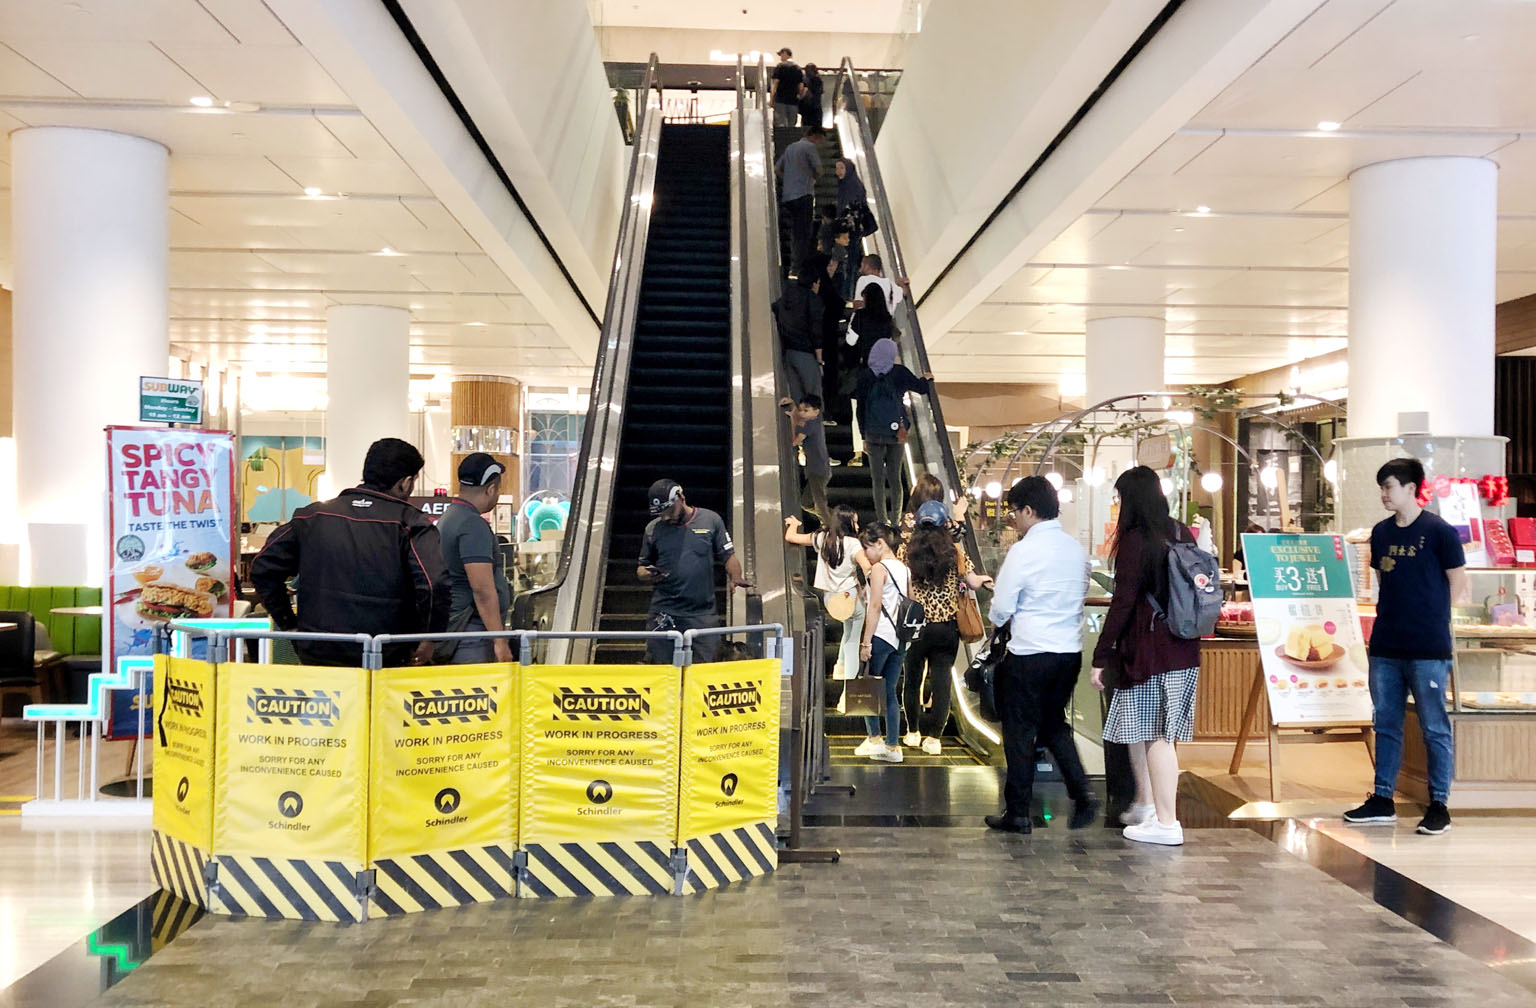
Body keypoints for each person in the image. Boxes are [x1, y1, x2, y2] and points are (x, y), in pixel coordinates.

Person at [1343, 457, 1467, 836]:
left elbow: (1459, 586)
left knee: (1434, 727)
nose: (1384, 494)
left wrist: (1434, 618)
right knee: (1386, 723)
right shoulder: (1380, 533)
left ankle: (1439, 804)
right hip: (1385, 645)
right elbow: (1385, 581)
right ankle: (1383, 798)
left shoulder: (1440, 532)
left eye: (1390, 486)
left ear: (1412, 488)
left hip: (1429, 647)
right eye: (1381, 487)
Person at [251, 437, 449, 668]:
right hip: (386, 654)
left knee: (323, 704)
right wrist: (428, 636)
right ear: (405, 482)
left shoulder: (312, 517)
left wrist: (289, 623)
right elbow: (434, 584)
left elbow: (262, 568)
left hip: (318, 651)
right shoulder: (410, 523)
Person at [1089, 465, 1201, 846]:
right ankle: (1154, 811)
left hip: (1152, 652)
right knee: (1163, 737)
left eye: (1120, 498)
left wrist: (1101, 656)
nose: (1118, 505)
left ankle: (1166, 822)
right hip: (1184, 648)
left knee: (1156, 737)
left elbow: (1122, 604)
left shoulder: (1138, 540)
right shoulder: (1179, 532)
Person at [984, 476, 1099, 833]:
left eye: (1015, 512)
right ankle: (1082, 792)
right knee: (1053, 724)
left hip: (1030, 652)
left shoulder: (1024, 550)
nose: (1013, 520)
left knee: (1019, 732)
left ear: (1029, 511)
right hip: (1068, 653)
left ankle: (1017, 813)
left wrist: (1003, 617)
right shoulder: (1075, 549)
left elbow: (1001, 607)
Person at [899, 501, 992, 755]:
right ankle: (934, 739)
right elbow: (972, 582)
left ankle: (912, 732)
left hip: (916, 626)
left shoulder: (906, 553)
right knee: (941, 683)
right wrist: (984, 580)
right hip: (946, 628)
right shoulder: (954, 552)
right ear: (943, 525)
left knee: (912, 680)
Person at [636, 478, 750, 664]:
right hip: (665, 612)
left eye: (669, 510)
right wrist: (647, 574)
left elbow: (728, 556)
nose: (665, 517)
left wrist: (735, 577)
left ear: (681, 497)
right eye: (661, 513)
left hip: (702, 614)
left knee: (704, 670)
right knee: (661, 670)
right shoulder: (653, 529)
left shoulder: (710, 520)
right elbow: (641, 568)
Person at [436, 452, 513, 664]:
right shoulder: (472, 524)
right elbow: (482, 589)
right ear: (491, 489)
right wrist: (499, 640)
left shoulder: (450, 517)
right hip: (472, 633)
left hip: (458, 629)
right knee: (476, 693)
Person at [784, 506, 865, 685]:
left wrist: (794, 524)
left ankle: (840, 666)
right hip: (849, 597)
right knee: (854, 639)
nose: (858, 527)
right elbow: (867, 568)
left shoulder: (822, 538)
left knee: (848, 627)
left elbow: (791, 537)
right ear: (847, 523)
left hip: (830, 599)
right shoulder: (853, 544)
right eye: (855, 522)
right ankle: (849, 689)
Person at [855, 338, 931, 523]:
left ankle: (882, 519)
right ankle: (896, 520)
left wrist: (863, 435)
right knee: (895, 478)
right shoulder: (900, 373)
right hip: (896, 434)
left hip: (873, 434)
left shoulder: (865, 376)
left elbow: (860, 409)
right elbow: (921, 389)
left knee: (877, 480)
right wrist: (927, 378)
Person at [853, 522, 909, 763]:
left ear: (880, 544)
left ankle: (874, 739)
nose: (866, 554)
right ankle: (893, 747)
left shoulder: (879, 569)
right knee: (889, 691)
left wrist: (866, 642)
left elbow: (874, 606)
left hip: (881, 635)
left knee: (868, 686)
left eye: (867, 548)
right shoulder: (904, 569)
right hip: (899, 639)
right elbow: (910, 603)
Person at [775, 125, 825, 277]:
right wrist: (813, 179)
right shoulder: (809, 147)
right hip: (804, 195)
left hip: (789, 197)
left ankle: (793, 266)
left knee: (795, 232)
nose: (819, 144)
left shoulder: (791, 147)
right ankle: (798, 268)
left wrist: (787, 181)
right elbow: (819, 169)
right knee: (804, 233)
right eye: (820, 140)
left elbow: (777, 168)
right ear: (815, 136)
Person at [774, 266, 823, 404]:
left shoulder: (787, 295)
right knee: (813, 401)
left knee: (797, 401)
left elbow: (775, 308)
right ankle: (812, 426)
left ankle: (797, 425)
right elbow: (816, 330)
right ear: (814, 284)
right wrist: (819, 359)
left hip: (788, 351)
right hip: (805, 353)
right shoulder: (812, 299)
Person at [790, 393, 832, 528]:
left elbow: (795, 441)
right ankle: (836, 519)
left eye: (806, 410)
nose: (802, 413)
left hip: (817, 469)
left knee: (819, 504)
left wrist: (792, 418)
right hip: (818, 469)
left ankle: (829, 529)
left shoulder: (811, 424)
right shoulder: (814, 423)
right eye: (800, 410)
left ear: (816, 411)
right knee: (806, 503)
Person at [834, 158, 868, 299]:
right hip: (847, 230)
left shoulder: (853, 186)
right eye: (837, 168)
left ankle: (849, 293)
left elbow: (854, 207)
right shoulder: (844, 185)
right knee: (848, 261)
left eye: (841, 168)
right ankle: (847, 293)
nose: (838, 172)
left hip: (851, 231)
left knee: (851, 263)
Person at [770, 48, 802, 127]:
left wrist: (771, 98)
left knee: (780, 123)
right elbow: (800, 86)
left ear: (785, 54)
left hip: (780, 100)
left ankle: (781, 139)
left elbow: (775, 84)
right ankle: (791, 139)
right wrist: (799, 96)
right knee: (792, 124)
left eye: (781, 55)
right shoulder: (798, 68)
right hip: (793, 100)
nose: (780, 57)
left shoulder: (780, 67)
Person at [798, 62, 823, 127]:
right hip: (816, 105)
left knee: (806, 124)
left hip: (806, 106)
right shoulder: (818, 79)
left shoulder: (805, 79)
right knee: (816, 125)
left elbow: (805, 90)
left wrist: (799, 98)